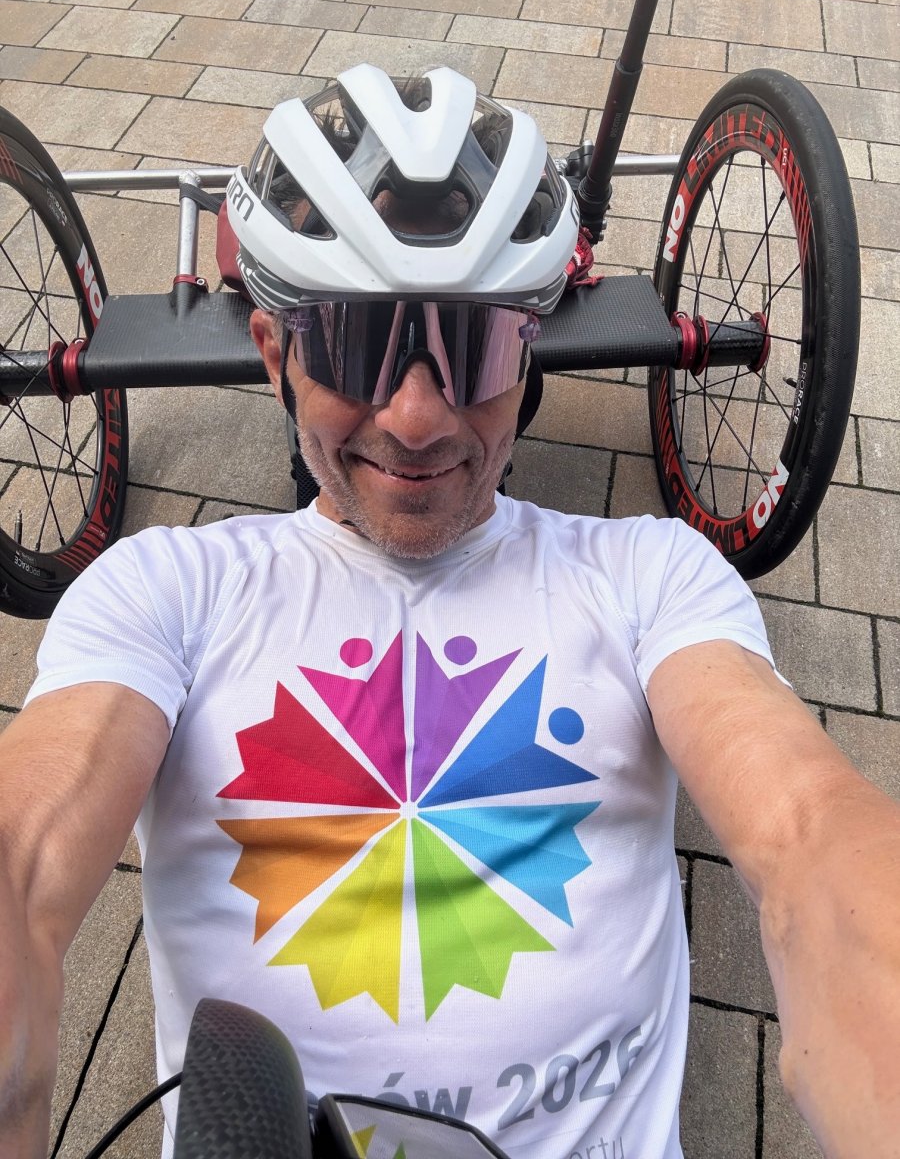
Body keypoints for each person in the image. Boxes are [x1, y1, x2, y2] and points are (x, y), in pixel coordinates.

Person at [0, 65, 897, 1159]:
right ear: (275, 355)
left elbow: (811, 838)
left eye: (475, 346)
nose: (418, 418)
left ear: (529, 358)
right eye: (356, 346)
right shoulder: (161, 593)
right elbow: (20, 865)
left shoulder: (653, 575)